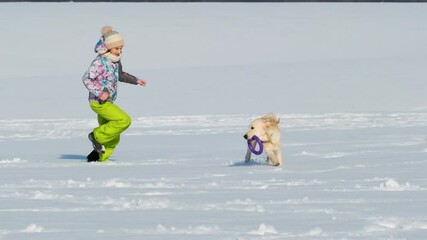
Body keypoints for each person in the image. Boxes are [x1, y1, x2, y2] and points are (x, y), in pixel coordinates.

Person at [82, 26, 146, 162]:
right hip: (98, 103)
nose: (119, 52)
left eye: (121, 49)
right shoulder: (99, 62)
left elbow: (120, 75)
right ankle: (96, 136)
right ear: (108, 47)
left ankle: (98, 159)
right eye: (116, 48)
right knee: (123, 120)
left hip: (108, 102)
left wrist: (136, 80)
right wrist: (100, 92)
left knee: (114, 135)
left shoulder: (115, 62)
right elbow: (87, 78)